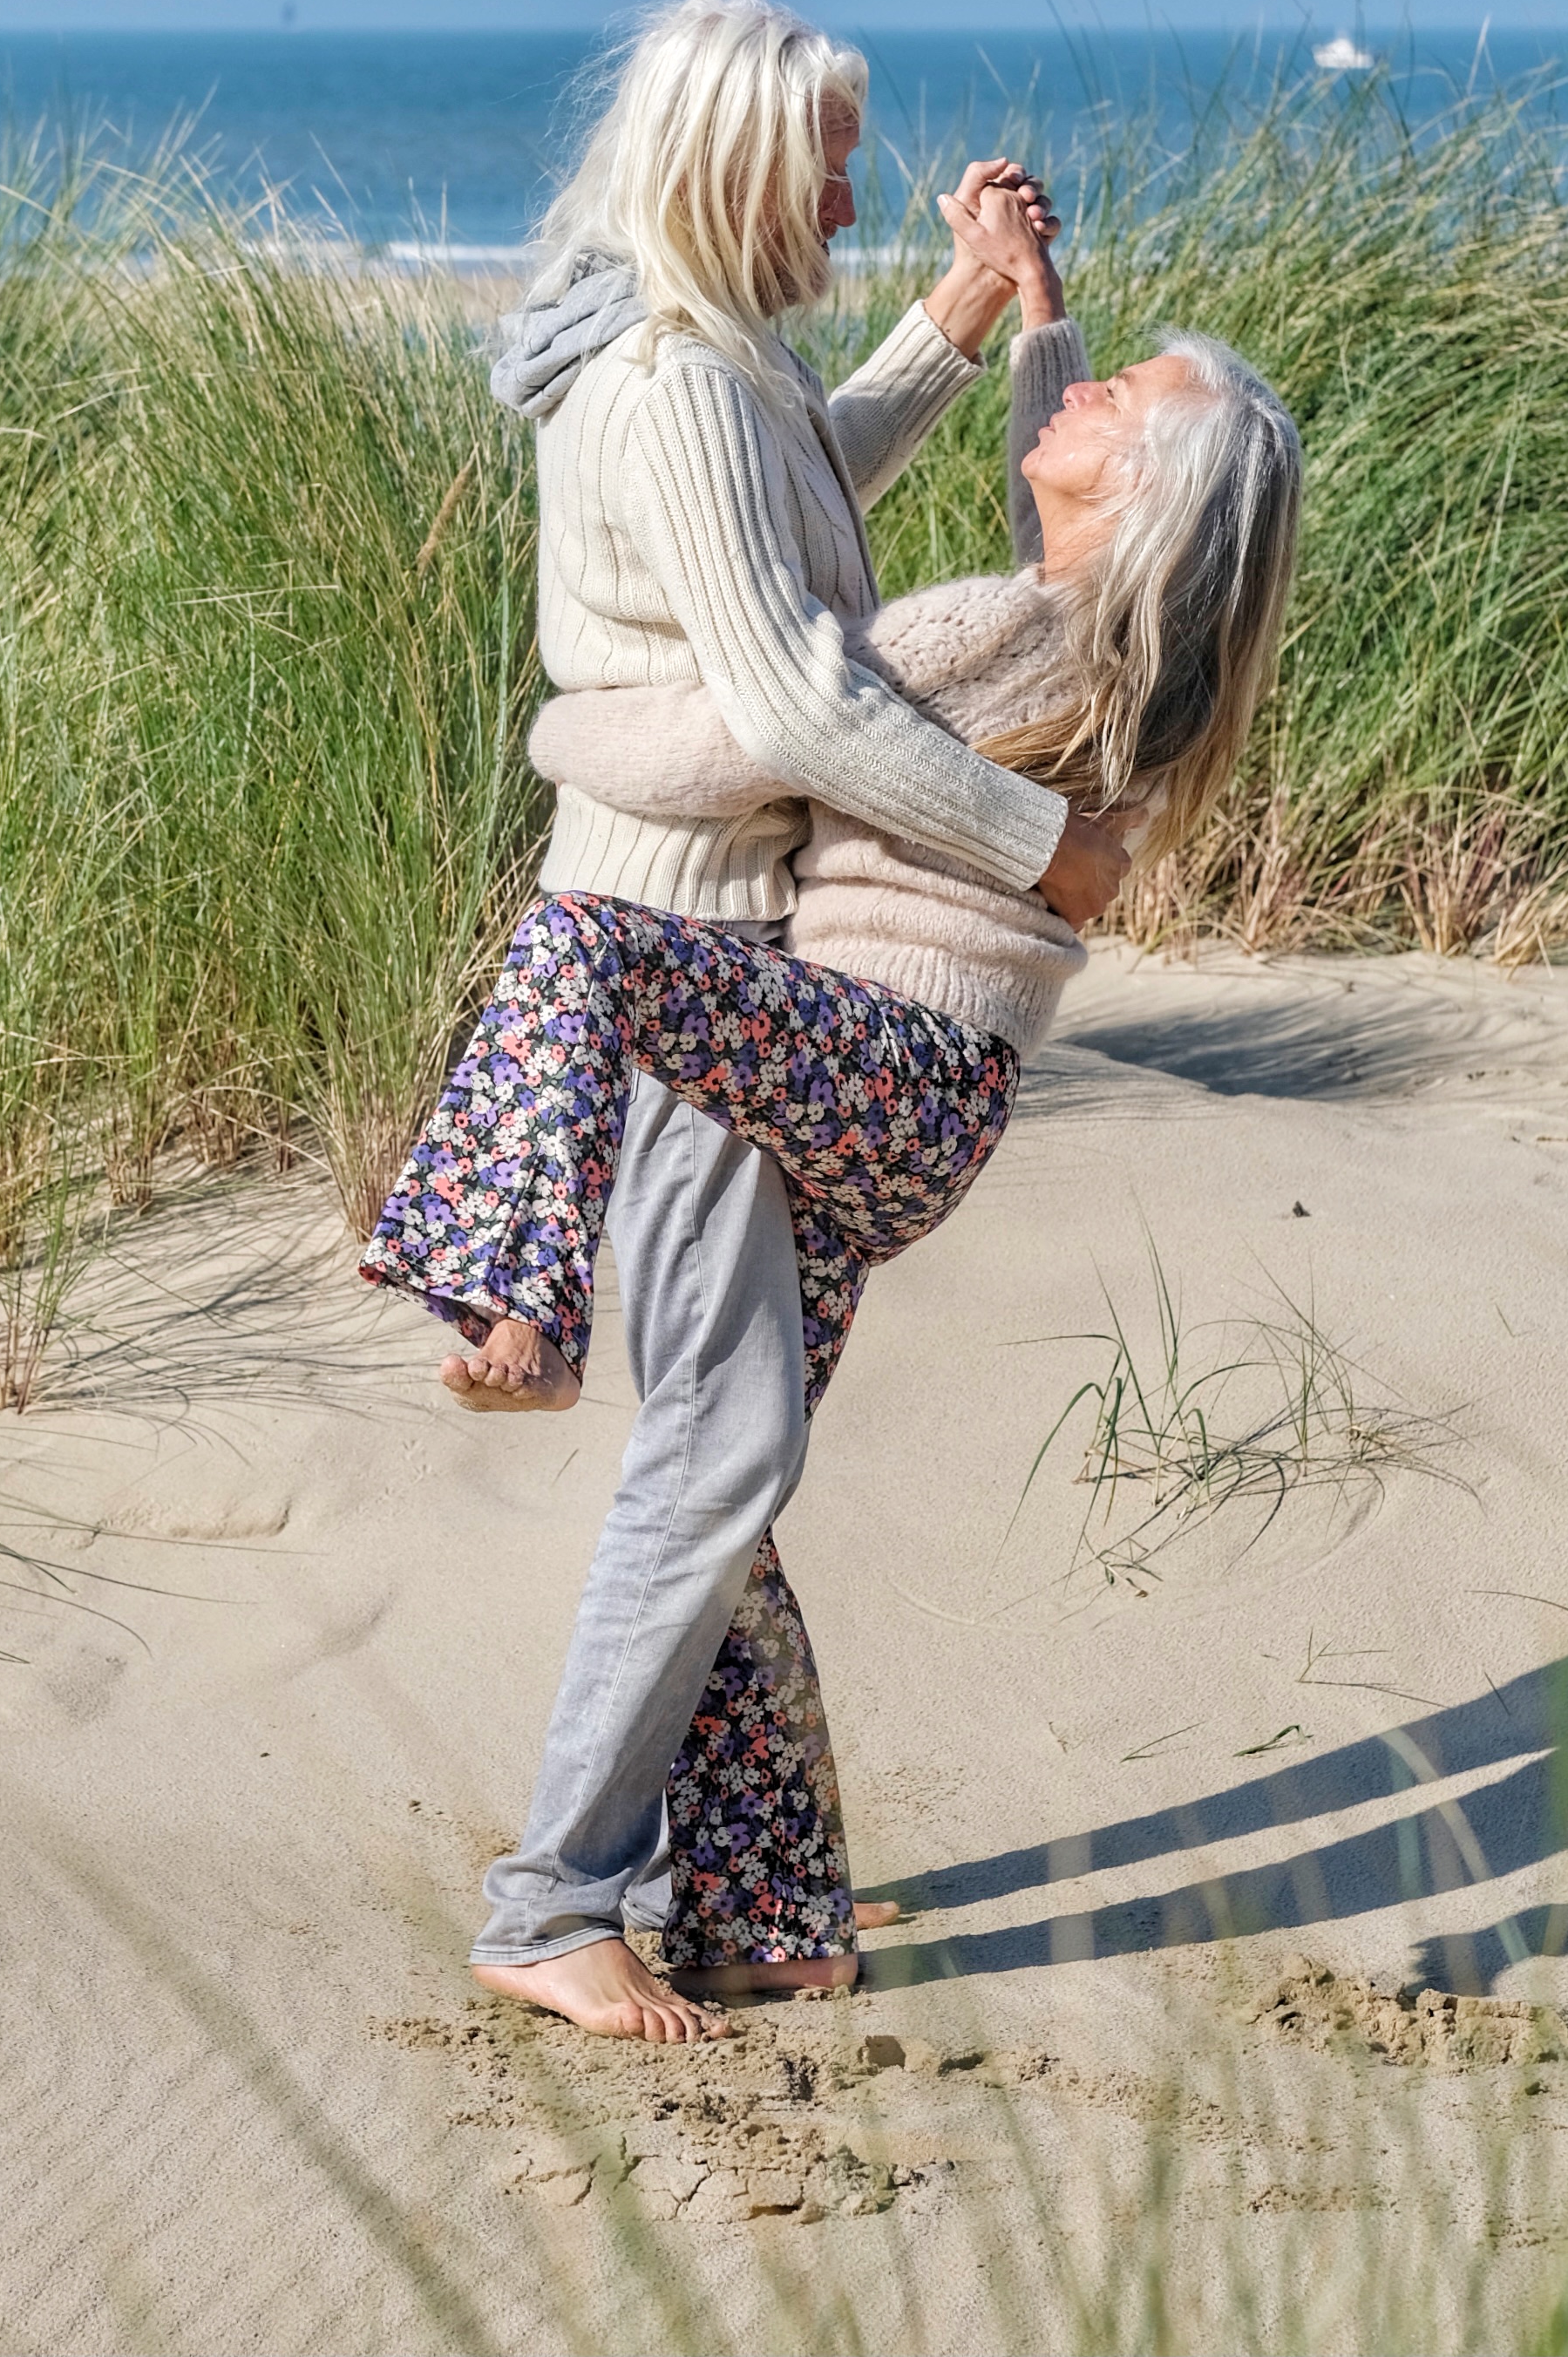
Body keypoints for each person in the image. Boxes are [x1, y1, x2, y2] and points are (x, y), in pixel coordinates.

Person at [363, 132, 1303, 2025]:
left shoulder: (990, 635)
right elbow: (1069, 489)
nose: (1090, 385)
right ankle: (763, 1901)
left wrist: (551, 712)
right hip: (899, 1095)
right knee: (726, 1478)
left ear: (1150, 494)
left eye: (1122, 398)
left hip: (858, 1061)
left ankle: (507, 1292)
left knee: (594, 950)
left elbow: (750, 735)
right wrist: (1026, 308)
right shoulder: (1116, 653)